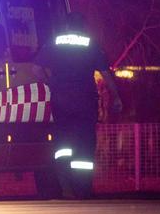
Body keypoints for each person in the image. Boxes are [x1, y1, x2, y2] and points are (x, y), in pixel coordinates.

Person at [33, 12, 122, 196]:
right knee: (85, 143)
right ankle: (83, 188)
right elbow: (106, 75)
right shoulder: (91, 45)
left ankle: (65, 185)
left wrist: (52, 83)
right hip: (85, 101)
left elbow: (36, 70)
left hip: (61, 101)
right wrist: (116, 96)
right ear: (83, 27)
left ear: (66, 26)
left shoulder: (54, 42)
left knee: (63, 143)